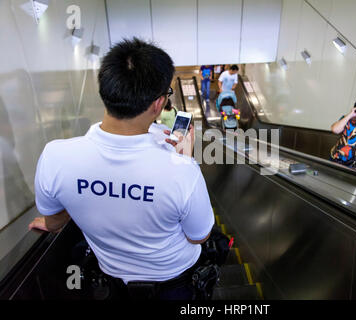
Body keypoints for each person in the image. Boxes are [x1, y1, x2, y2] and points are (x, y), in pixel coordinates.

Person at [28, 38, 215, 300]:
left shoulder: (55, 156)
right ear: (158, 104)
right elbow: (198, 236)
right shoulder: (182, 171)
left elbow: (56, 221)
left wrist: (47, 221)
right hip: (173, 283)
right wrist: (184, 159)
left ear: (105, 91)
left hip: (112, 284)